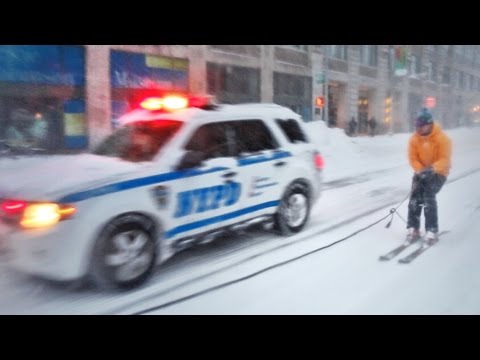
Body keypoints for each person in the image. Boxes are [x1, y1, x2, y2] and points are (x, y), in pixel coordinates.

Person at [406, 108, 452, 244]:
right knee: (414, 197)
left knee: (428, 195)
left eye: (421, 126)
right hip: (421, 172)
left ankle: (432, 229)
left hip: (439, 172)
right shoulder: (414, 139)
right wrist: (420, 170)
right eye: (417, 126)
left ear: (429, 124)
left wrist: (432, 169)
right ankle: (413, 227)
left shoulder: (443, 139)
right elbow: (412, 158)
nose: (419, 129)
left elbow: (445, 159)